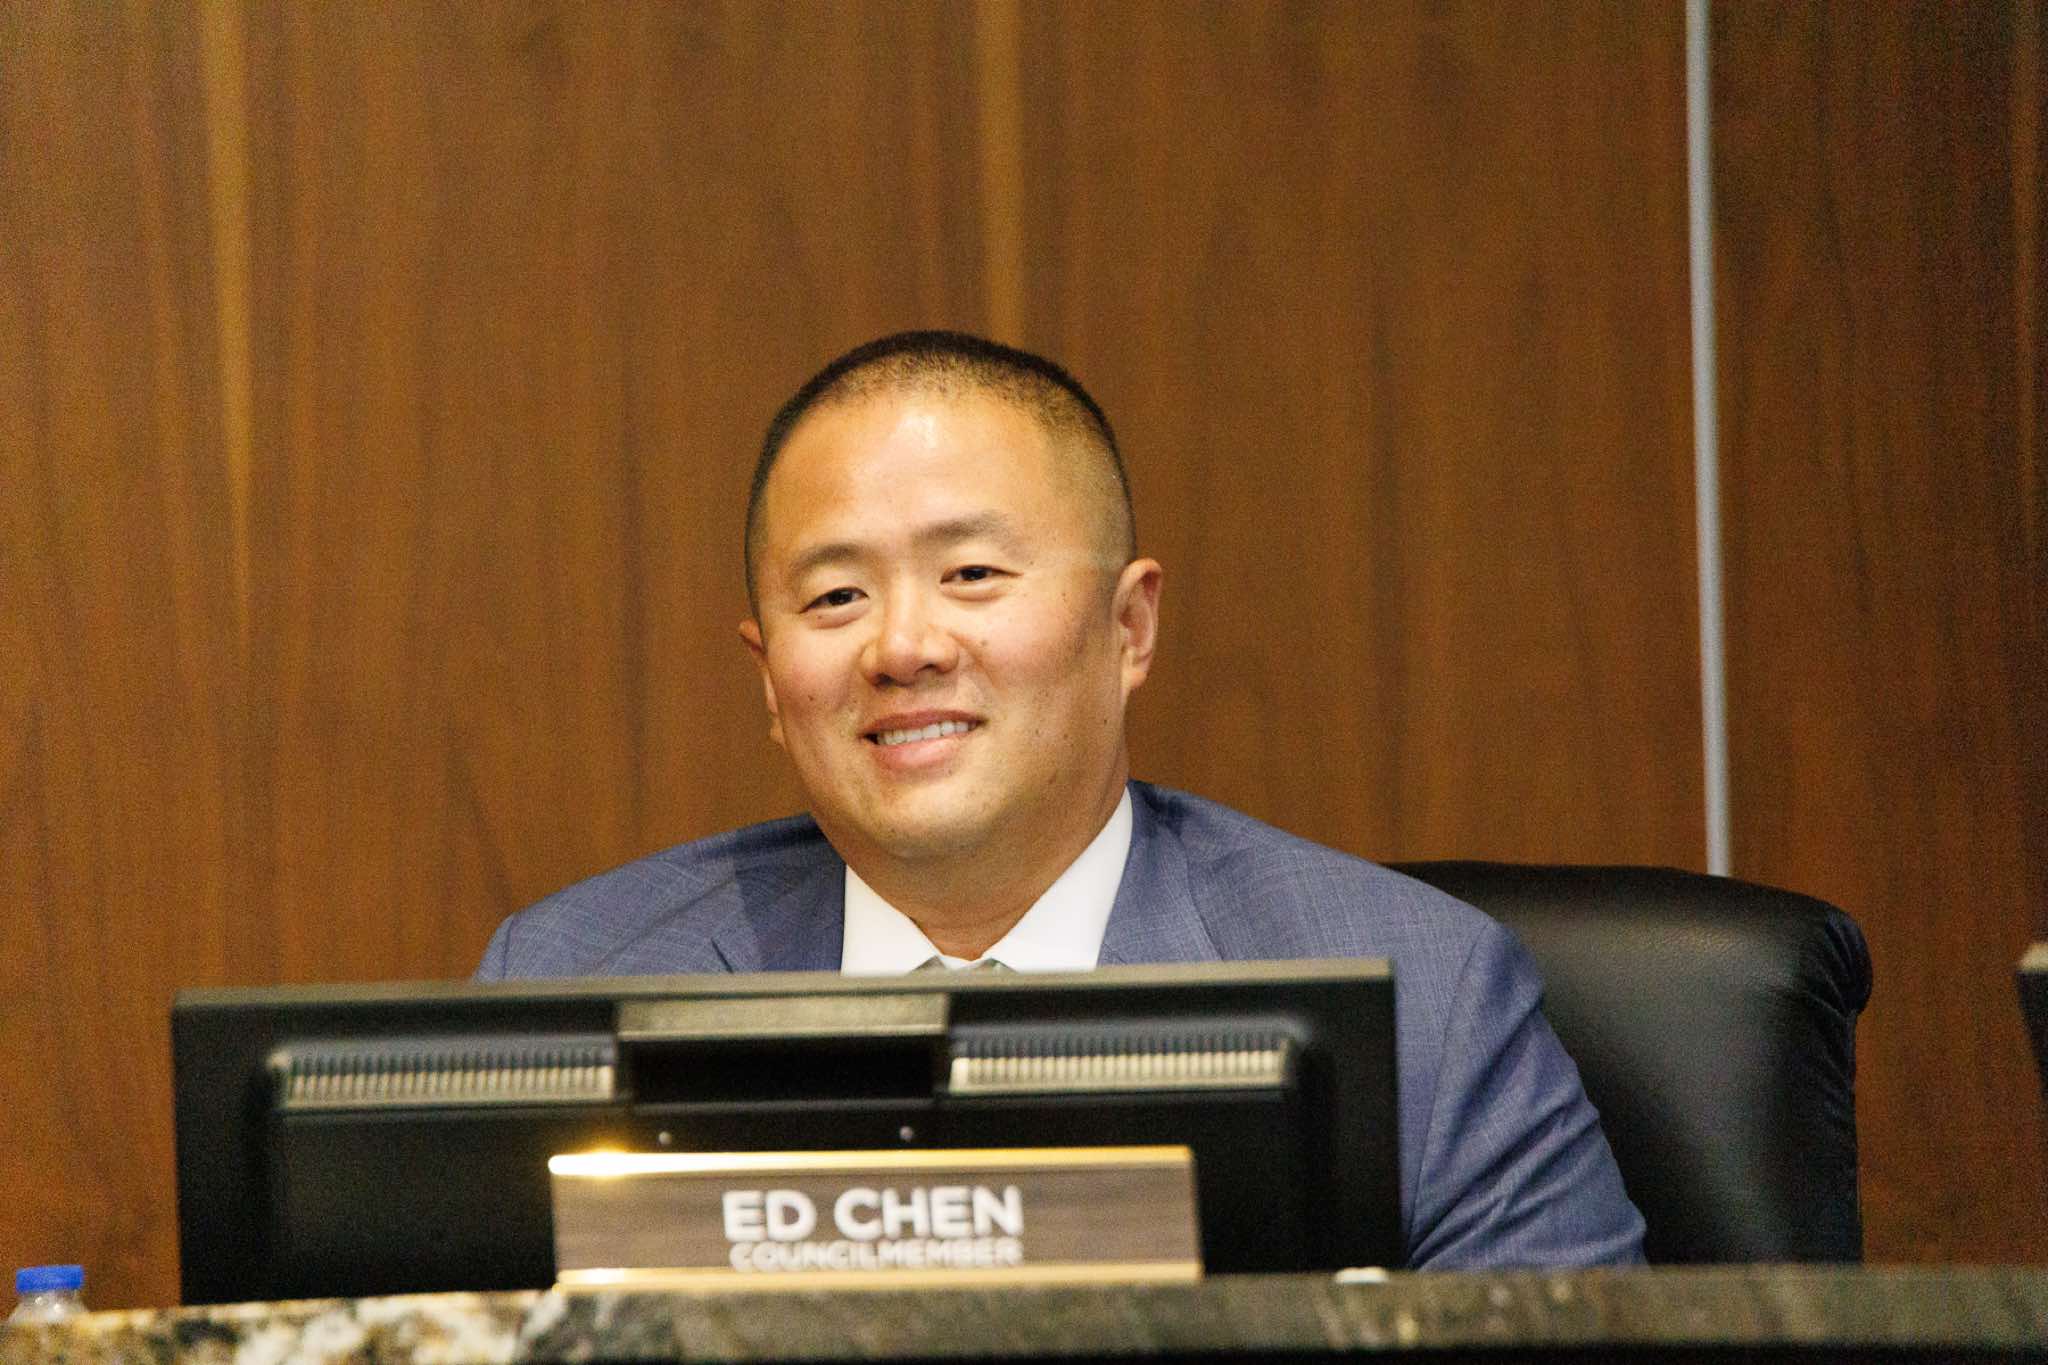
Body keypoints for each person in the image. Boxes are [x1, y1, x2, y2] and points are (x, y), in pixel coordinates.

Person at [476, 330, 1645, 1269]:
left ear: (1127, 629)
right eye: (834, 597)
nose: (902, 645)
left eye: (971, 574)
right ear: (769, 680)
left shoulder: (1421, 1001)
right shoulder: (569, 986)